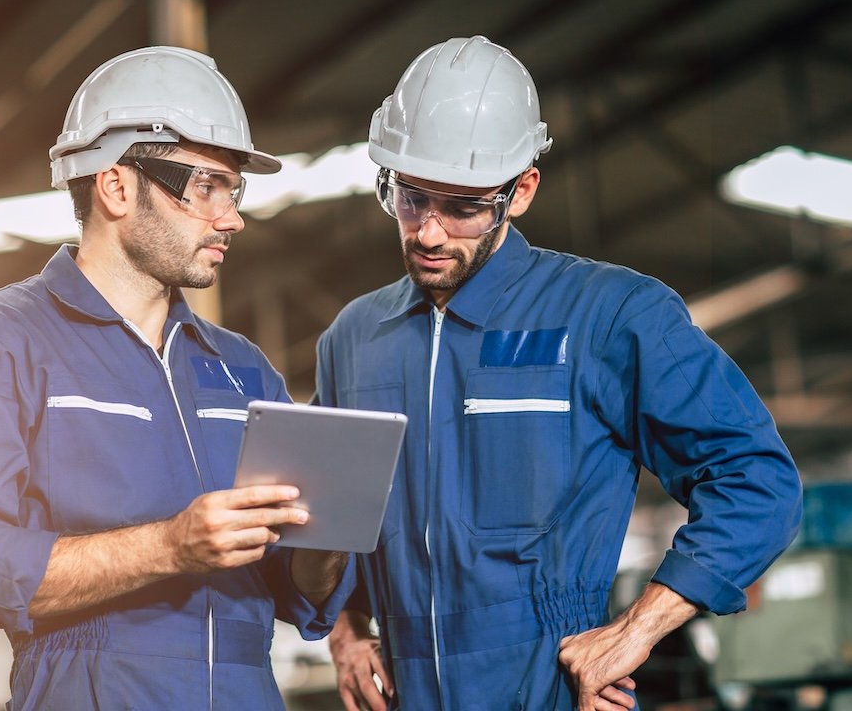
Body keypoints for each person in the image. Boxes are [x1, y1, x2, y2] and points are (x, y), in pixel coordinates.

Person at [314, 35, 803, 711]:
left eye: (461, 207)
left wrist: (639, 629)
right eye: (410, 198)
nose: (428, 232)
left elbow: (757, 482)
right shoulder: (354, 341)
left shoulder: (610, 316)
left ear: (520, 193)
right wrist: (344, 633)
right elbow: (324, 521)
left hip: (554, 693)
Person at [0, 46, 354, 710]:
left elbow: (294, 589)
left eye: (235, 190)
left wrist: (334, 532)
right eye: (206, 186)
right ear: (116, 186)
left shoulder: (242, 368)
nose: (230, 217)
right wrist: (170, 547)